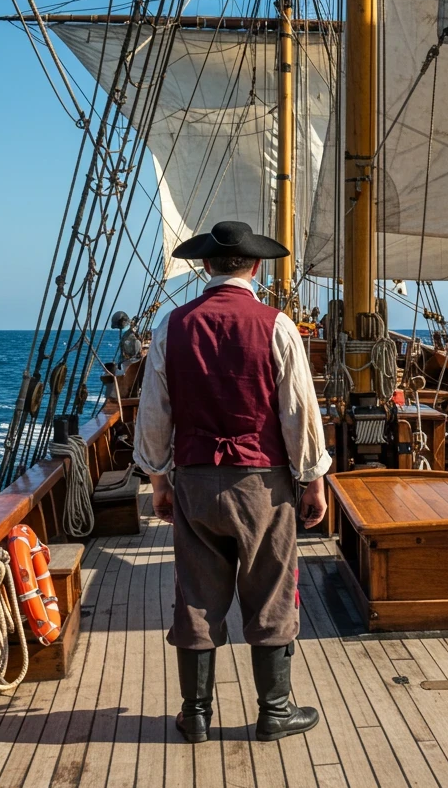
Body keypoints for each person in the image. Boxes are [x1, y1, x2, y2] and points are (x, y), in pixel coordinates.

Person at [133, 220, 331, 744]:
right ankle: (275, 711)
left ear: (204, 266)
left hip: (195, 480)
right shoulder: (276, 325)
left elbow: (154, 414)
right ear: (256, 266)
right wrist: (313, 481)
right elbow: (299, 413)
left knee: (195, 597)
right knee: (269, 593)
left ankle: (195, 715)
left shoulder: (169, 327)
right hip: (262, 483)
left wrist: (158, 479)